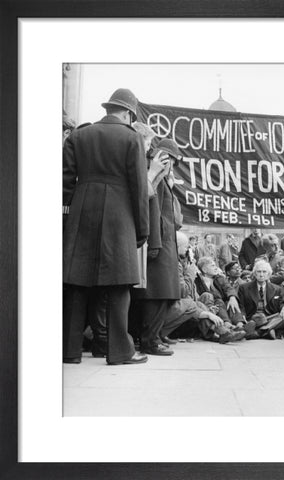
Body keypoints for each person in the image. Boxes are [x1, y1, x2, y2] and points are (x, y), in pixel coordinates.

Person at [63, 88, 149, 365]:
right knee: (118, 286)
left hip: (81, 212)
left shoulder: (78, 136)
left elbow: (65, 184)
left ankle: (69, 351)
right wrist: (141, 228)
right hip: (119, 215)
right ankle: (120, 352)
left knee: (76, 283)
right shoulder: (132, 138)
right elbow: (138, 187)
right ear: (127, 113)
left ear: (109, 108)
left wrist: (68, 217)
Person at [133, 137, 184, 356]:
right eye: (170, 159)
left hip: (164, 244)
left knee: (162, 293)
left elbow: (174, 218)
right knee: (157, 294)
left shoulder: (163, 180)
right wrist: (153, 243)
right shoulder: (155, 179)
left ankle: (152, 338)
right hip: (159, 244)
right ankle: (150, 341)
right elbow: (152, 212)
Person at [237, 260, 284, 340]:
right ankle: (267, 330)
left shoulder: (277, 289)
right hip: (253, 317)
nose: (261, 275)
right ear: (255, 274)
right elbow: (241, 306)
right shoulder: (244, 288)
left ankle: (260, 331)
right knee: (257, 319)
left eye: (264, 272)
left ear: (269, 274)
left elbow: (281, 303)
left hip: (270, 317)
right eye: (259, 272)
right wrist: (242, 320)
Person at [194, 256, 243, 324]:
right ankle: (227, 323)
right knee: (219, 301)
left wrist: (232, 297)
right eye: (212, 266)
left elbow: (228, 288)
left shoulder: (219, 278)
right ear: (204, 269)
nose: (216, 267)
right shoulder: (197, 281)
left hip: (223, 305)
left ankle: (240, 324)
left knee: (231, 302)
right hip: (209, 306)